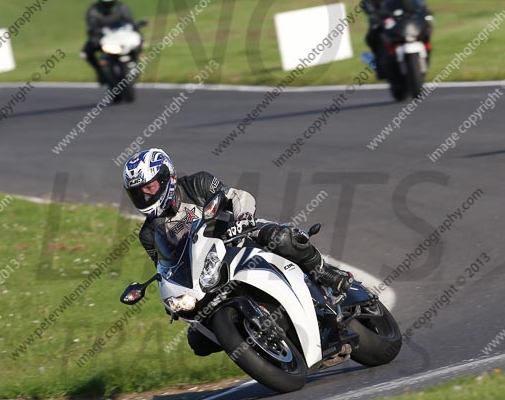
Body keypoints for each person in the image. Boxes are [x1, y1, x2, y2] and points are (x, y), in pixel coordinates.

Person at [123, 148, 353, 356]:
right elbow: (165, 269)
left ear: (167, 177)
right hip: (206, 273)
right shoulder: (149, 233)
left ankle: (324, 273)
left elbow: (237, 196)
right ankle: (256, 342)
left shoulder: (197, 183)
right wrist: (170, 295)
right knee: (198, 341)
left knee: (281, 238)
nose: (145, 197)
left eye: (149, 188)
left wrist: (243, 218)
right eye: (137, 193)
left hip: (238, 237)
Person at [81, 0, 134, 83]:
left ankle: (134, 64)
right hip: (103, 37)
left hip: (120, 36)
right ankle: (100, 71)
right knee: (86, 52)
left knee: (137, 43)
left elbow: (129, 21)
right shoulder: (94, 10)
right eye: (106, 3)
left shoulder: (122, 7)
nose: (108, 4)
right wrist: (95, 32)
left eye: (110, 2)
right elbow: (91, 24)